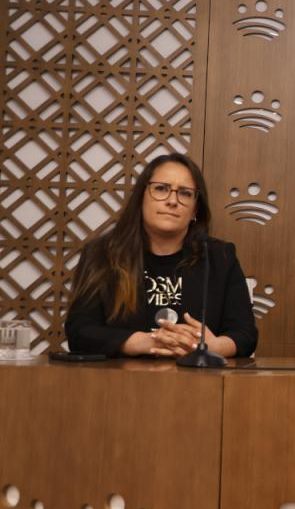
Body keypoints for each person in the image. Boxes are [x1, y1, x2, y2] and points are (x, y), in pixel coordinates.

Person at [65, 153, 257, 358]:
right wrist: (141, 342)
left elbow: (245, 334)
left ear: (195, 209)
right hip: (121, 376)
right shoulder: (101, 253)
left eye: (185, 193)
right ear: (141, 197)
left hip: (198, 376)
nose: (172, 201)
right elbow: (79, 332)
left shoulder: (219, 257)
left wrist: (214, 347)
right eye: (161, 189)